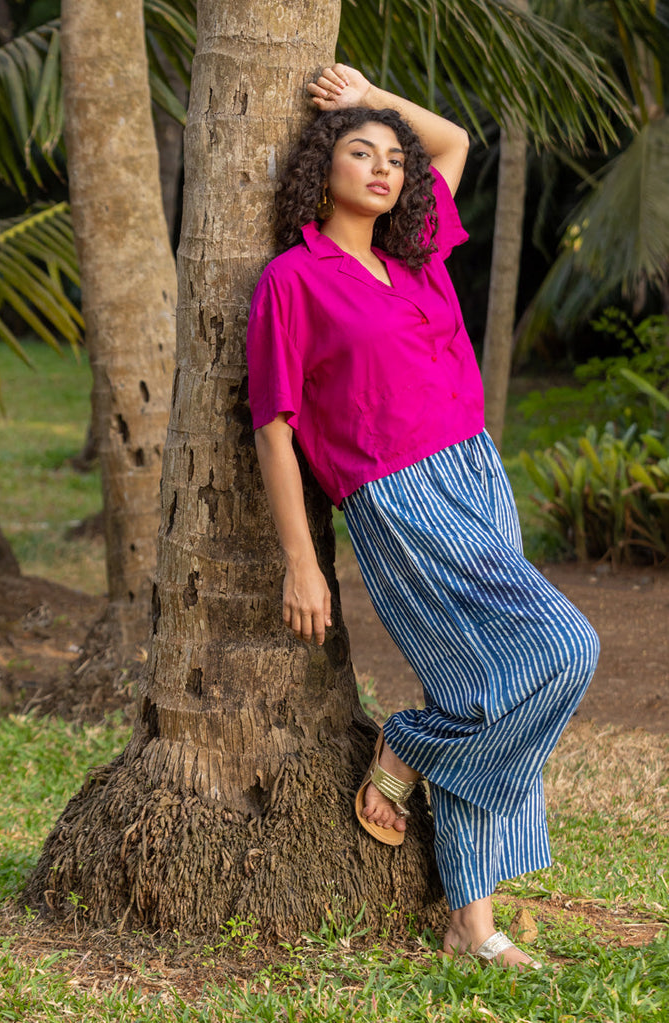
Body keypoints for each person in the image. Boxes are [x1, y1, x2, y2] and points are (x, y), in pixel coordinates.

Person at [246, 64, 599, 970]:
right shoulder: (293, 278)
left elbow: (452, 141)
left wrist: (371, 97)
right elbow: (274, 426)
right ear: (321, 168)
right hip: (396, 494)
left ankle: (472, 924)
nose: (383, 168)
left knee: (486, 683)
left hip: (475, 470)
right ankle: (410, 746)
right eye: (359, 152)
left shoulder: (415, 253)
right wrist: (300, 561)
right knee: (566, 646)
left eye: (391, 160)